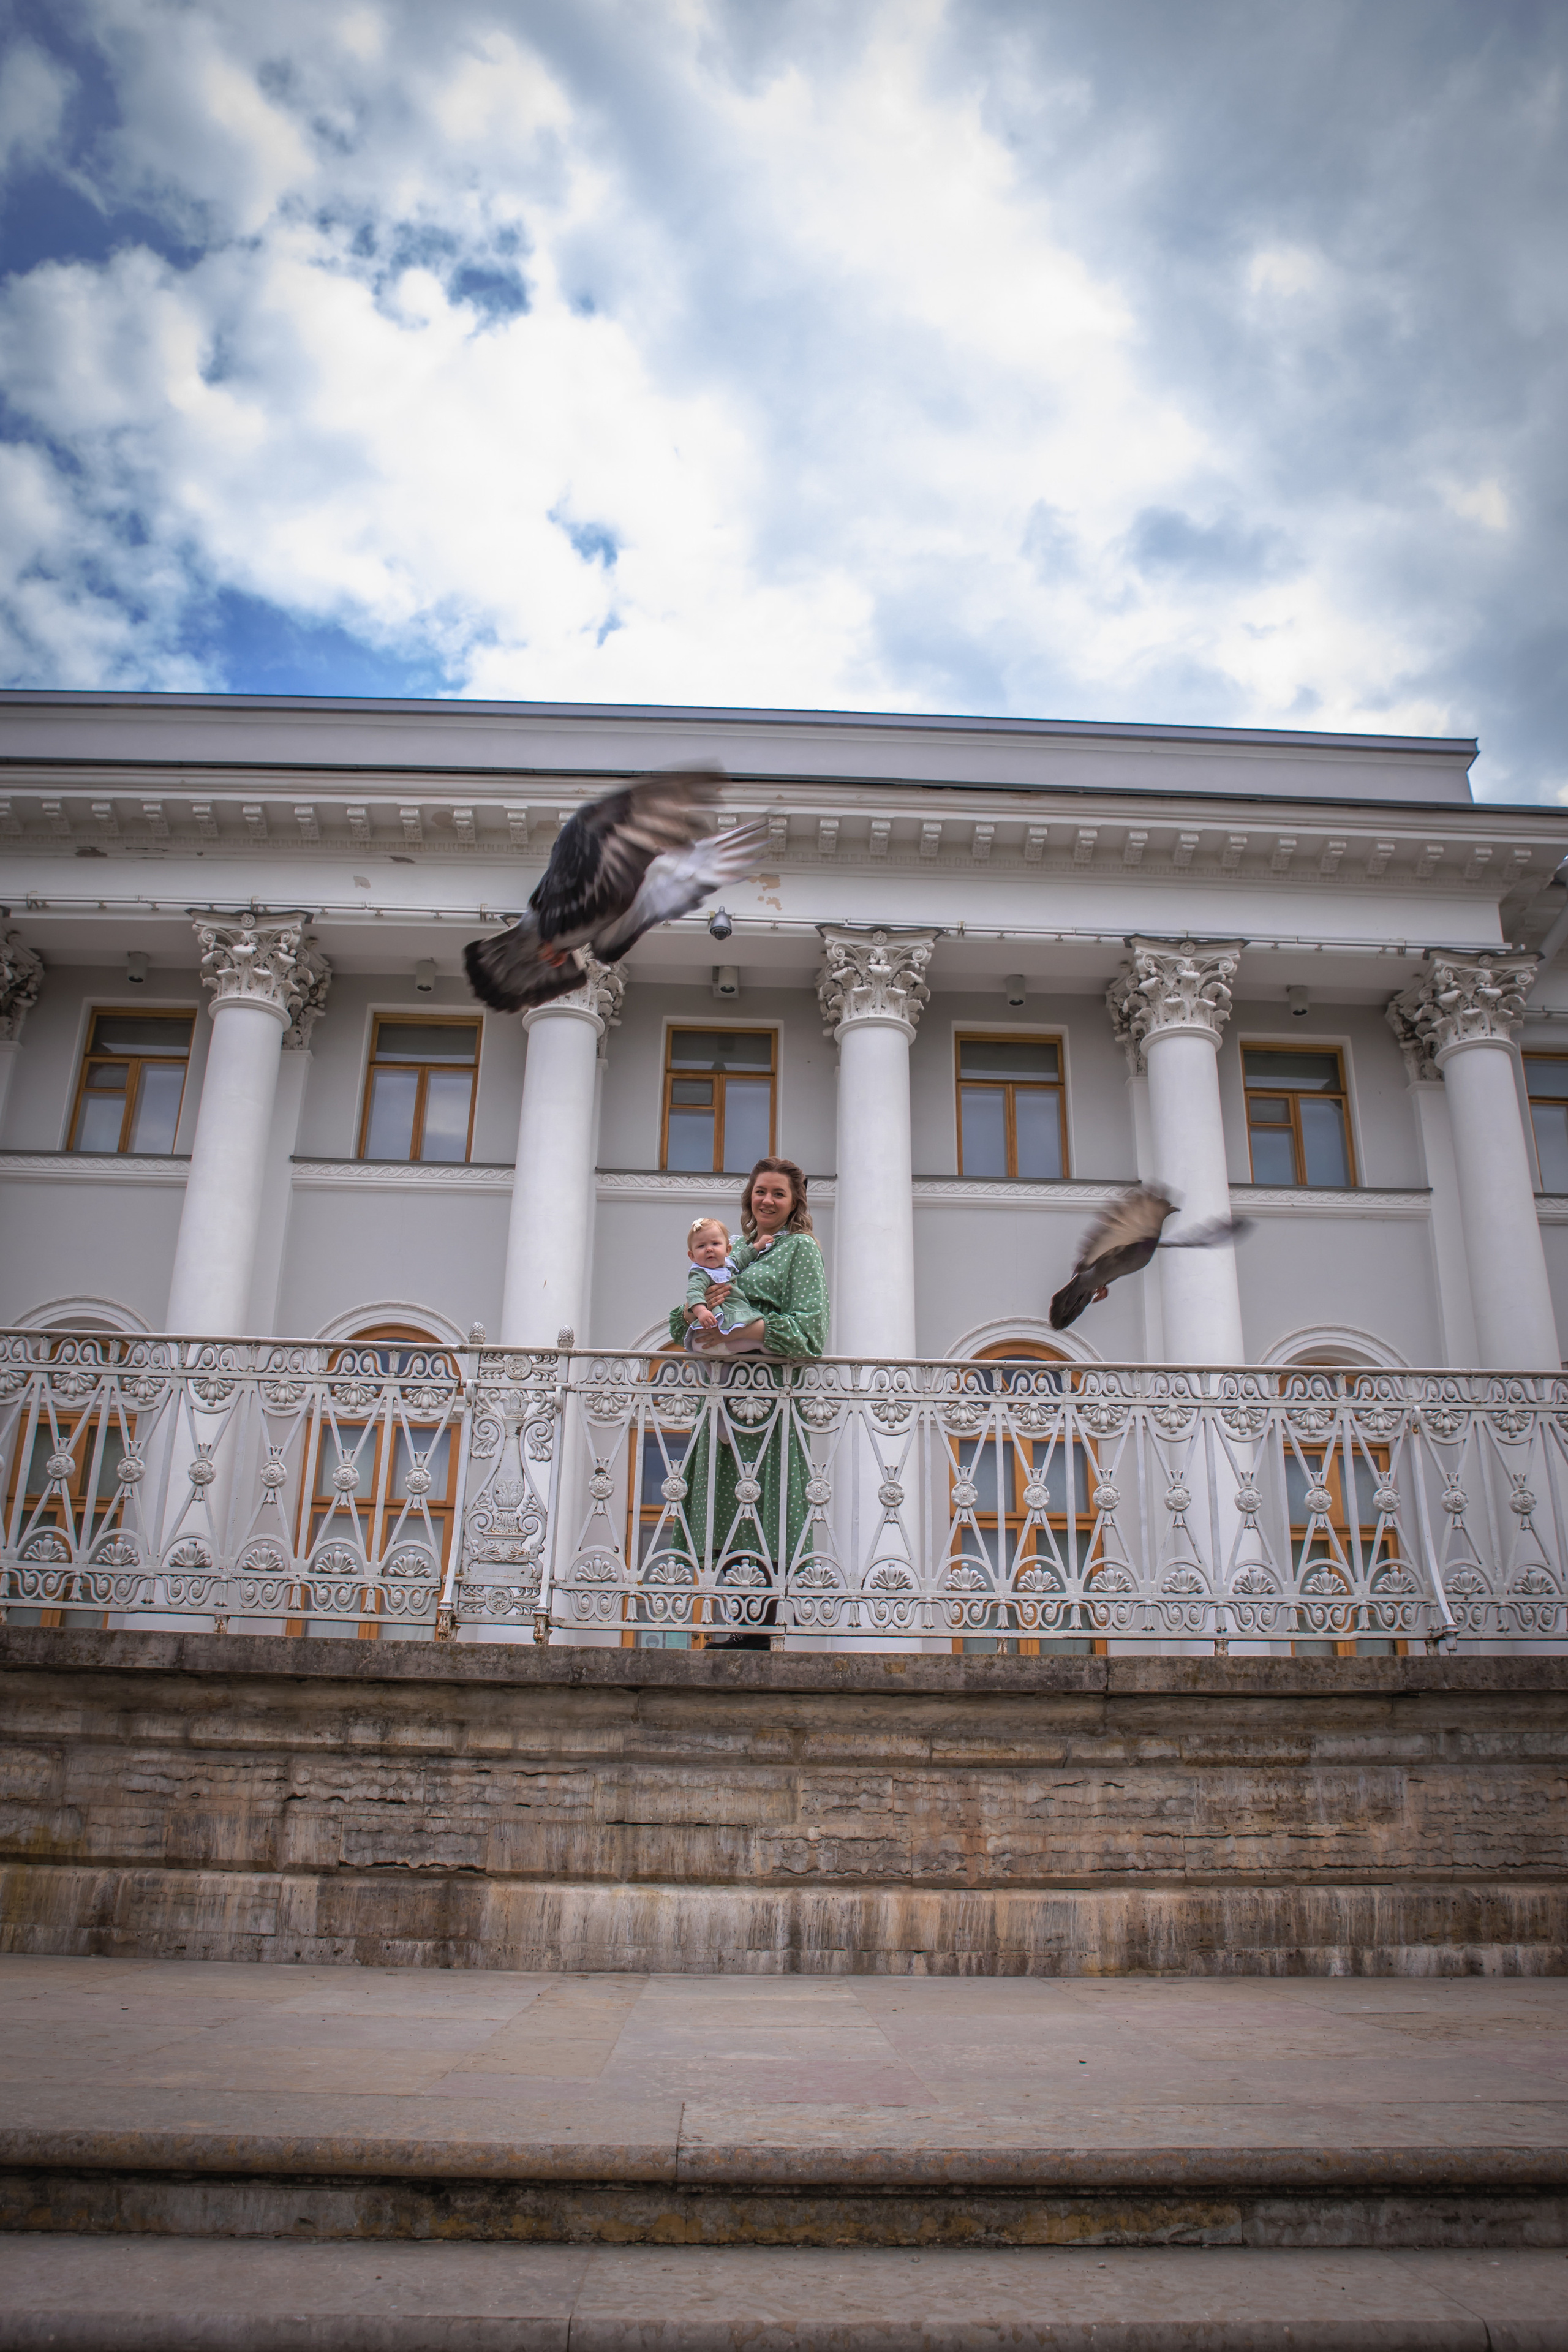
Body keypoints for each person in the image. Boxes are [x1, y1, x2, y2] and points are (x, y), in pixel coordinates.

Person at [668, 1158, 829, 1648]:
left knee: (765, 1505)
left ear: (794, 1202)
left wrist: (744, 1329)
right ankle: (731, 1624)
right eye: (761, 1191)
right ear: (749, 1197)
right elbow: (678, 1321)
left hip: (768, 1400)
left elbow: (810, 1333)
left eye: (779, 1193)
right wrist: (700, 1312)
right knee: (723, 1505)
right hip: (723, 1399)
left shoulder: (801, 1249)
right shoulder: (731, 1249)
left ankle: (757, 1631)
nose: (767, 1201)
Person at [682, 1217, 755, 1352]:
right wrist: (702, 1311)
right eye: (701, 1246)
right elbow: (694, 1293)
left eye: (715, 1244)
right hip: (717, 1320)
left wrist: (759, 1246)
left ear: (728, 1250)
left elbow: (742, 1257)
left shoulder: (728, 1264)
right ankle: (756, 1344)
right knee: (706, 1345)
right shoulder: (701, 1273)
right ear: (692, 1256)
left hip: (734, 1314)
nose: (709, 1249)